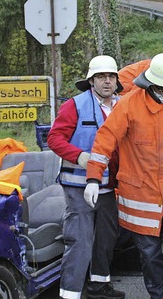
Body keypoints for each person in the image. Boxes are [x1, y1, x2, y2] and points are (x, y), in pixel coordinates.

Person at [85, 53, 163, 299]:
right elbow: (105, 140)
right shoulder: (129, 105)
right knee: (149, 255)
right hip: (140, 193)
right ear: (156, 85)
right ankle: (160, 296)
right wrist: (94, 178)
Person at [47, 55, 125, 299]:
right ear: (91, 81)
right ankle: (69, 294)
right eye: (101, 77)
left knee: (106, 239)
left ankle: (99, 287)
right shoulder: (75, 105)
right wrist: (80, 156)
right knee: (79, 242)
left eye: (111, 77)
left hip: (109, 187)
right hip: (79, 186)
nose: (107, 82)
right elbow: (54, 139)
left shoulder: (122, 105)